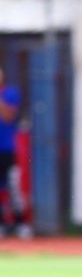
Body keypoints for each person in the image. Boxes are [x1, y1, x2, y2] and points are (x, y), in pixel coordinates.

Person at [0, 67, 29, 238]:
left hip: (6, 149)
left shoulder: (10, 93)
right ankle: (2, 224)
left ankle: (21, 223)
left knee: (13, 186)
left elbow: (8, 116)